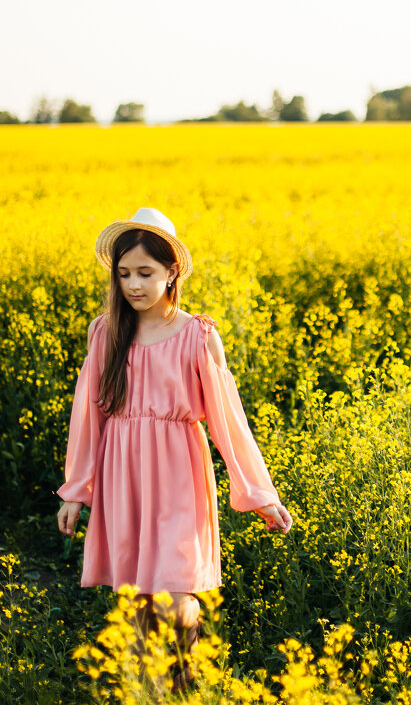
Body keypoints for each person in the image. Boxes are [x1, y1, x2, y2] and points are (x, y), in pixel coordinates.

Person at [55, 206, 293, 692]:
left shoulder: (197, 335)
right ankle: (155, 691)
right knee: (138, 600)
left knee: (173, 600)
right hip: (124, 474)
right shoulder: (106, 333)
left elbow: (228, 423)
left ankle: (186, 657)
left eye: (146, 272)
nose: (133, 285)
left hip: (179, 474)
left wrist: (259, 493)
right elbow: (88, 416)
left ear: (172, 273)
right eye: (124, 274)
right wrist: (76, 491)